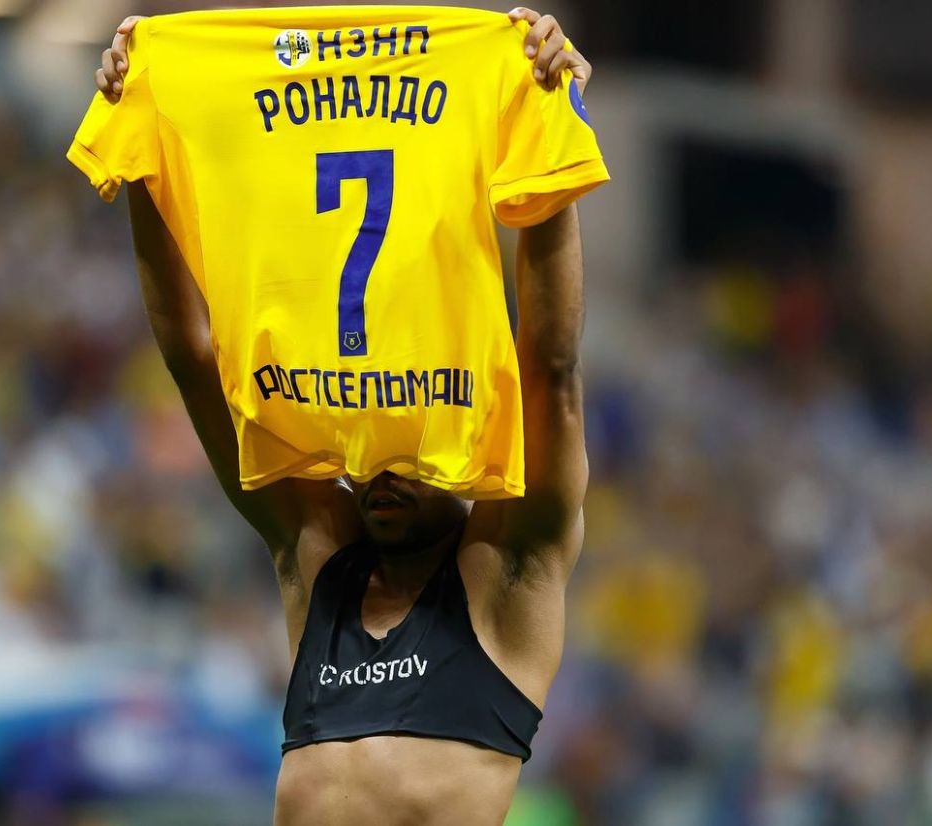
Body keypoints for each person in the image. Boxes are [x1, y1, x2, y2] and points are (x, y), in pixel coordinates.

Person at [95, 8, 597, 824]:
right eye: (363, 452)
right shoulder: (317, 560)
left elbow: (551, 370)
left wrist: (547, 132)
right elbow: (194, 357)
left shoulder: (508, 571)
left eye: (403, 448)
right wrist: (144, 153)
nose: (375, 471)